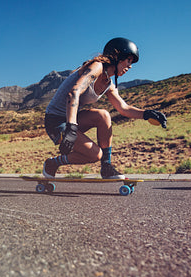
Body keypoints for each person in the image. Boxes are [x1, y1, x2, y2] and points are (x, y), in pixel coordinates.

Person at [43, 37, 167, 179]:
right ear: (118, 57)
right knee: (95, 154)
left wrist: (148, 114)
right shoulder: (96, 67)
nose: (130, 66)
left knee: (103, 115)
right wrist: (71, 127)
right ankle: (52, 163)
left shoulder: (109, 83)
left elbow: (123, 108)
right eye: (129, 60)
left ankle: (106, 167)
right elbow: (74, 92)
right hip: (55, 121)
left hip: (70, 118)